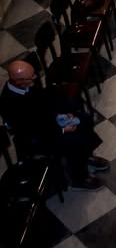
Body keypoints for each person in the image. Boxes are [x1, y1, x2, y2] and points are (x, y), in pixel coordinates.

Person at [0, 59, 108, 191]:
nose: (36, 77)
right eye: (31, 77)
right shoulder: (9, 104)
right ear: (18, 81)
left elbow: (43, 100)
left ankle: (85, 156)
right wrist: (62, 130)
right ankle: (78, 178)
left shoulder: (26, 83)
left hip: (46, 121)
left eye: (34, 74)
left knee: (83, 119)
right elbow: (30, 130)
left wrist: (64, 113)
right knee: (74, 139)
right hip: (37, 137)